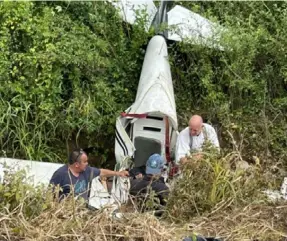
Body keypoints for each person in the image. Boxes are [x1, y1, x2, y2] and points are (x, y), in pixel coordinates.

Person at [50, 149, 129, 201]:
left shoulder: (87, 170)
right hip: (66, 212)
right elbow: (50, 195)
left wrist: (118, 173)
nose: (87, 164)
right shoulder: (60, 174)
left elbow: (101, 172)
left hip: (82, 210)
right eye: (85, 162)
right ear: (77, 164)